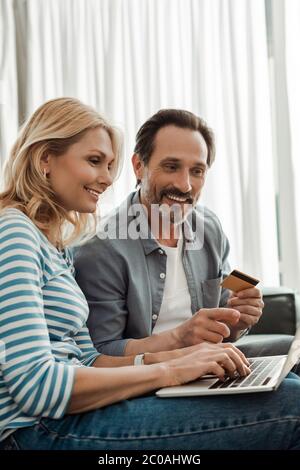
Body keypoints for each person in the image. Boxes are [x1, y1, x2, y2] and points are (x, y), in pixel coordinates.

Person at [1, 98, 300, 451]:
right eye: (94, 161)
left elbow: (87, 359)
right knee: (292, 405)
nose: (107, 178)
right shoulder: (16, 233)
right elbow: (37, 387)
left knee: (288, 376)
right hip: (37, 430)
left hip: (73, 411)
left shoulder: (56, 245)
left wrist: (186, 356)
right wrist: (172, 368)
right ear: (44, 158)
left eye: (109, 165)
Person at [74, 109, 291, 359]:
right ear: (138, 166)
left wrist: (239, 319)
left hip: (209, 363)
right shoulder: (102, 246)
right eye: (171, 166)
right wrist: (179, 339)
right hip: (148, 380)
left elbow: (225, 327)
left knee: (292, 353)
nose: (185, 185)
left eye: (197, 171)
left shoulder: (209, 228)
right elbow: (101, 352)